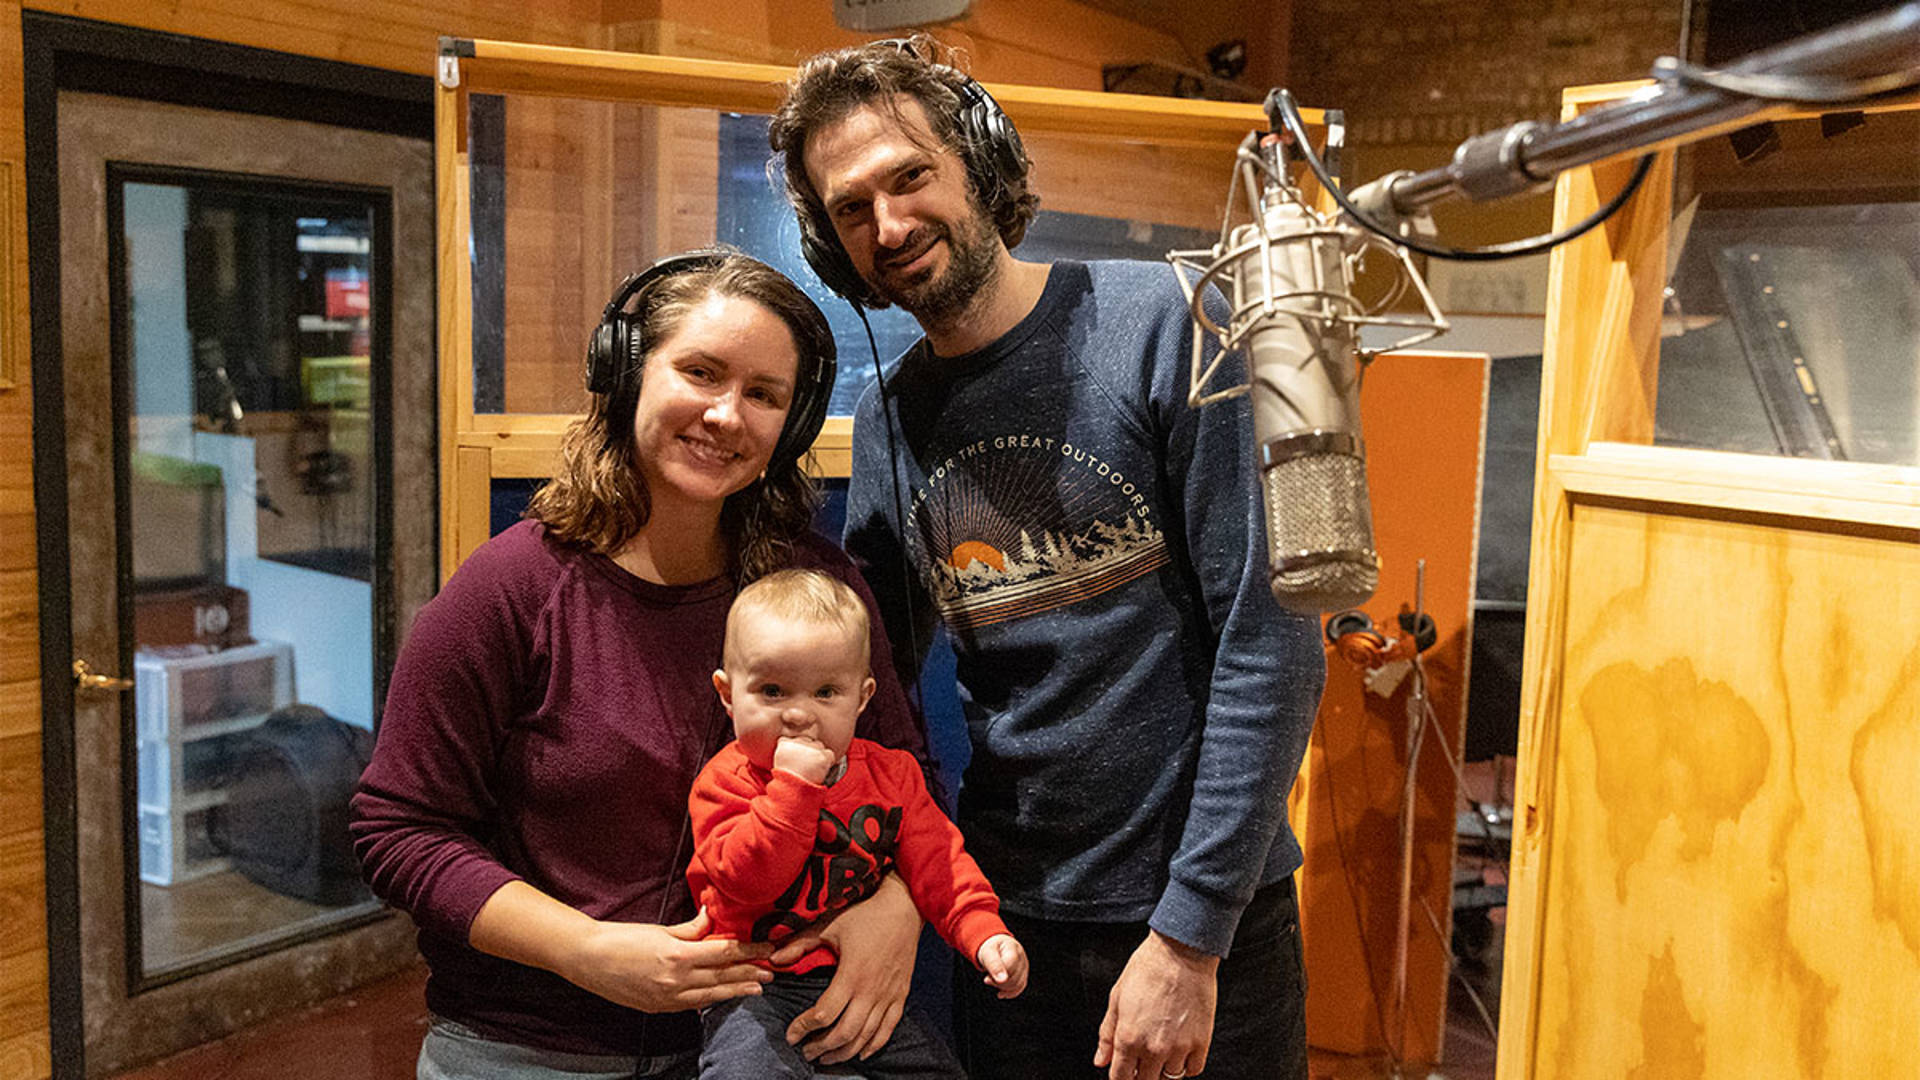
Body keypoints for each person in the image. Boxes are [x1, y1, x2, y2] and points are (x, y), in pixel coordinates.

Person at [767, 38, 1327, 1080]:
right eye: (851, 209)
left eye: (911, 177)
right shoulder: (891, 419)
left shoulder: (1168, 325)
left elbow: (1273, 643)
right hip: (1009, 923)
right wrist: (892, 873)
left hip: (1199, 924)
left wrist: (1189, 938)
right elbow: (872, 683)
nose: (889, 226)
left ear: (976, 165)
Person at [350, 250, 939, 1079]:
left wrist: (899, 906)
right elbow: (397, 831)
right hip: (532, 1045)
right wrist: (585, 949)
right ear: (626, 373)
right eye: (700, 372)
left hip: (773, 1039)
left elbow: (903, 777)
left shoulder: (818, 591)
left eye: (764, 394)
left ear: (792, 425)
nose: (726, 415)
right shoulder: (510, 590)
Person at [688, 568, 1029, 1078]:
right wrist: (795, 791)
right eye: (773, 691)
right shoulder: (724, 783)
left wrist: (984, 934)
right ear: (727, 693)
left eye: (826, 692)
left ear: (863, 697)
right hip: (750, 984)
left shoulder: (893, 775)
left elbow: (941, 863)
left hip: (859, 978)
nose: (799, 715)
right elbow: (749, 882)